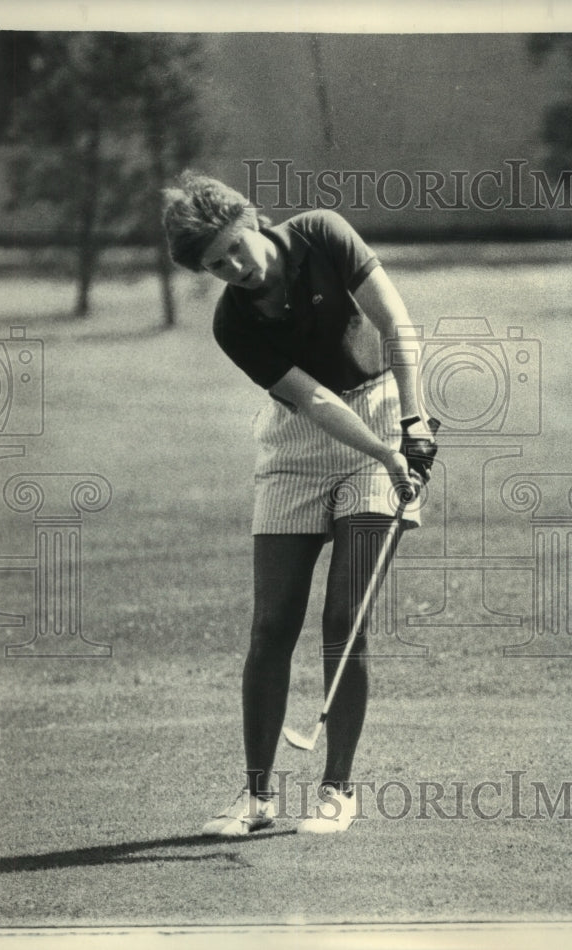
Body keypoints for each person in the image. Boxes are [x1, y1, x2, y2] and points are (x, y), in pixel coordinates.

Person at [162, 171, 438, 835]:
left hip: (381, 407)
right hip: (298, 445)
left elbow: (394, 320)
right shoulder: (233, 323)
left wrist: (415, 423)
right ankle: (257, 799)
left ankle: (336, 793)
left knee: (345, 621)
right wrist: (383, 454)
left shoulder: (321, 232)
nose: (235, 268)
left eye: (235, 248)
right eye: (216, 265)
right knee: (271, 624)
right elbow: (312, 400)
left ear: (251, 221)